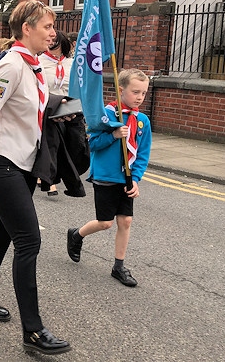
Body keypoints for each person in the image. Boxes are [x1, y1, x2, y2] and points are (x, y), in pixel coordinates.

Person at [0, 0, 71, 355]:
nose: (53, 33)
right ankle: (32, 331)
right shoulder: (9, 66)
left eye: (53, 27)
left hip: (22, 164)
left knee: (1, 235)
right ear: (27, 29)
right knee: (29, 240)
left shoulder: (34, 67)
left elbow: (32, 109)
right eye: (48, 27)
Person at [67, 68, 152, 287]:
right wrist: (113, 135)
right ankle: (77, 235)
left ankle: (119, 266)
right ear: (120, 90)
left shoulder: (142, 121)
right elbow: (92, 145)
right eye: (135, 92)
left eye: (143, 92)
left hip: (126, 178)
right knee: (105, 223)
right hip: (105, 176)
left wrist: (136, 178)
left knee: (125, 220)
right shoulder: (105, 115)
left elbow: (142, 154)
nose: (140, 97)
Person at [39, 30, 74, 196]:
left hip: (67, 107)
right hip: (48, 106)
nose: (52, 45)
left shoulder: (71, 63)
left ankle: (54, 174)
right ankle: (49, 180)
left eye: (55, 42)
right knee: (50, 143)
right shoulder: (39, 62)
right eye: (50, 42)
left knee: (63, 145)